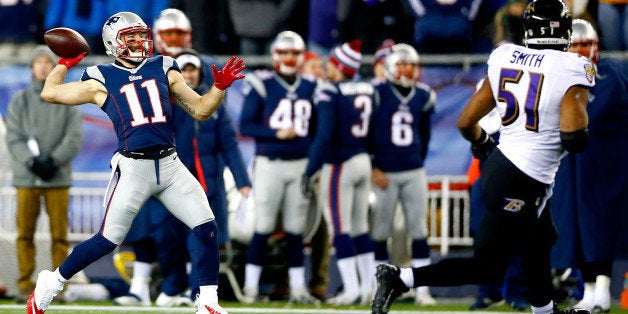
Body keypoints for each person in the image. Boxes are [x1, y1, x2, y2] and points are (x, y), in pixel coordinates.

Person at [371, 0, 596, 313]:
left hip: (501, 165)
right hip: (525, 178)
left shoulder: (507, 56)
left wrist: (482, 142)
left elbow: (466, 122)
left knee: (541, 239)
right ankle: (401, 278)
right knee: (489, 265)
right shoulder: (573, 66)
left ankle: (544, 310)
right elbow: (574, 136)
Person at [26, 11, 245, 314]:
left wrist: (218, 89)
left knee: (206, 226)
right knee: (107, 239)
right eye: (132, 36)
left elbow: (201, 110)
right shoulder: (102, 77)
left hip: (169, 164)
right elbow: (50, 92)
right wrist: (64, 63)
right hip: (133, 167)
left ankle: (207, 301)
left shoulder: (165, 67)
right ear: (114, 42)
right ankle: (51, 282)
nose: (140, 41)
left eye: (142, 34)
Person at [551, 18, 628, 313]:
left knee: (602, 227)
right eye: (578, 45)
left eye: (588, 44)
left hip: (607, 164)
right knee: (575, 230)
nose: (583, 51)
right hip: (572, 164)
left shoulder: (613, 74)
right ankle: (590, 290)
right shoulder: (559, 76)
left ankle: (604, 289)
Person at [238, 31, 319, 305]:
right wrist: (276, 133)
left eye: (294, 53)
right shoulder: (263, 84)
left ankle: (298, 288)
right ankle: (250, 287)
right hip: (269, 164)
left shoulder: (311, 86)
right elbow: (246, 125)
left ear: (301, 56)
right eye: (284, 53)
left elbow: (319, 130)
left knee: (296, 230)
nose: (288, 58)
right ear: (275, 55)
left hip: (300, 165)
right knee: (263, 226)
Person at [5, 46, 83, 302]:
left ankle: (58, 288)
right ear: (31, 68)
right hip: (26, 179)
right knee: (24, 233)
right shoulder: (20, 101)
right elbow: (14, 136)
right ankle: (25, 285)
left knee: (59, 236)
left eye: (47, 62)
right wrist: (31, 162)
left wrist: (53, 161)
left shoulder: (68, 98)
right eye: (37, 62)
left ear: (54, 67)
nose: (42, 66)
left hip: (58, 179)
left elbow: (74, 137)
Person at [302, 39, 376, 306]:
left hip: (339, 164)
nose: (326, 68)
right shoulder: (367, 89)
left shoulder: (329, 92)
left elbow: (323, 135)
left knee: (340, 229)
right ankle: (369, 288)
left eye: (330, 64)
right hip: (362, 159)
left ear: (338, 65)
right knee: (360, 228)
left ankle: (353, 289)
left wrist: (310, 169)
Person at [368, 43, 437, 306]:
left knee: (419, 230)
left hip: (413, 169)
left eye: (411, 64)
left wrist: (418, 160)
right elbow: (369, 132)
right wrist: (374, 165)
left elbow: (425, 133)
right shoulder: (377, 92)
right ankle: (376, 287)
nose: (408, 70)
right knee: (380, 231)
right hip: (384, 170)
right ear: (389, 66)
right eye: (402, 64)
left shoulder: (423, 95)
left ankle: (423, 291)